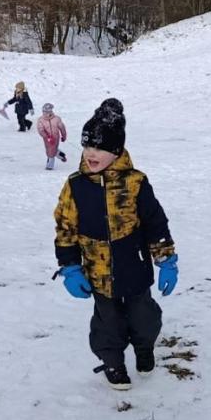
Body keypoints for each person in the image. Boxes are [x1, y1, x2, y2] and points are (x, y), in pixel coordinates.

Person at [54, 104, 177, 391]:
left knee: (143, 317)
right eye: (87, 146)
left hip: (134, 266)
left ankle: (144, 348)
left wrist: (166, 260)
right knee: (107, 322)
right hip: (97, 272)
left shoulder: (135, 183)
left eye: (99, 148)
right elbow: (65, 227)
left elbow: (155, 222)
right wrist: (70, 267)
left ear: (117, 150)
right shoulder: (75, 185)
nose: (91, 153)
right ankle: (113, 362)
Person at [36, 103, 68, 171]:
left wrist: (64, 136)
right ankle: (60, 155)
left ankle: (49, 166)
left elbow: (62, 128)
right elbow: (40, 130)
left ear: (51, 111)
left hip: (56, 137)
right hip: (47, 138)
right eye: (44, 111)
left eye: (48, 111)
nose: (46, 113)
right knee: (49, 149)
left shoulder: (57, 119)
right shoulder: (40, 120)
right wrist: (46, 136)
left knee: (52, 150)